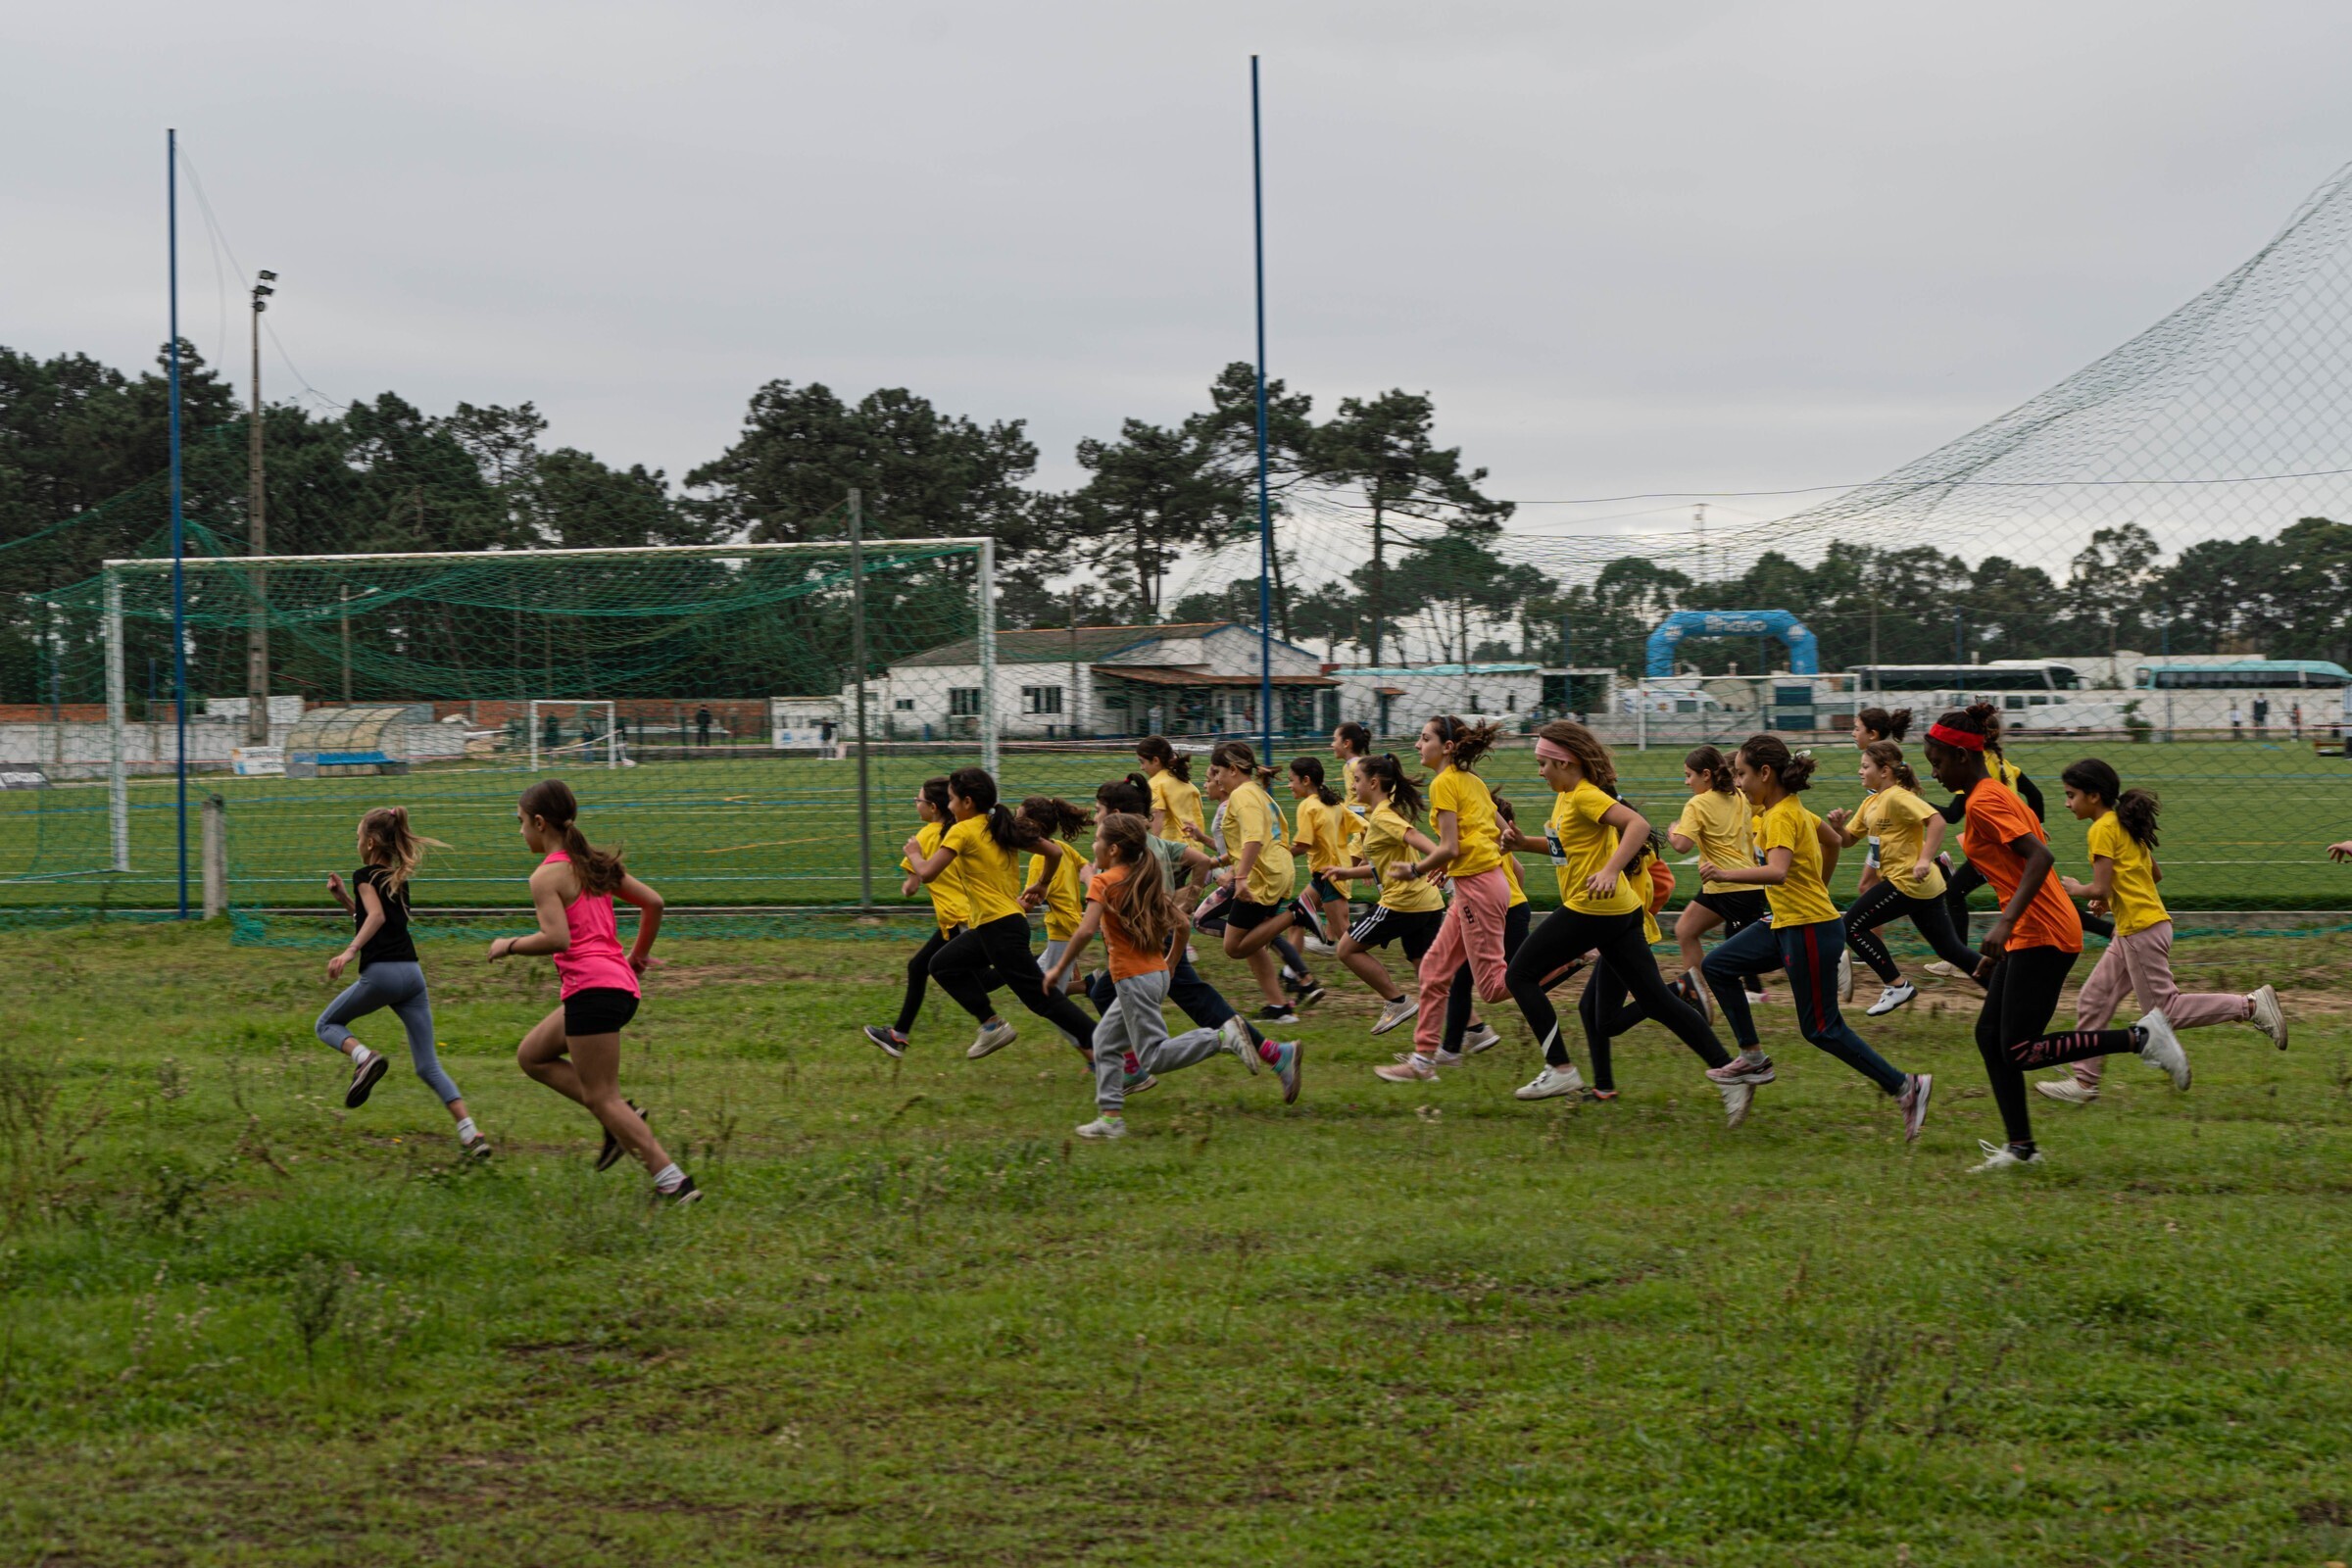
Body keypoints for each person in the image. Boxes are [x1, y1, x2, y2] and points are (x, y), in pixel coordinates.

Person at [1920, 706, 2190, 1173]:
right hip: (2030, 929)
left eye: (1938, 761)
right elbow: (2014, 869)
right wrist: (2005, 938)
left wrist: (2005, 925)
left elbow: (2040, 857)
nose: (1934, 771)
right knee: (1989, 1036)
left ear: (1962, 757)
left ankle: (2142, 1037)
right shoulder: (1989, 795)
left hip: (2043, 931)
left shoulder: (1987, 800)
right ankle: (2021, 1149)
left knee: (2020, 1049)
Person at [1696, 735, 1936, 1141]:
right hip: (1787, 923)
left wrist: (1723, 875)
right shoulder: (1785, 811)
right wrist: (1818, 885)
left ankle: (1905, 1086)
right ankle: (1752, 1058)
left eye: (1741, 773)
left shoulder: (1780, 818)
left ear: (1765, 774)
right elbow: (1833, 840)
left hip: (1807, 928)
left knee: (1822, 1028)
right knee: (1717, 965)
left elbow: (1777, 872)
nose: (1736, 782)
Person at [1491, 721, 1738, 1108]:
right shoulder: (1567, 797)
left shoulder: (1585, 795)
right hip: (1621, 910)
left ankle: (1559, 1067)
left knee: (1519, 975)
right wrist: (1523, 843)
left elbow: (1636, 825)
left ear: (1565, 761)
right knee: (1654, 1000)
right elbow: (1565, 851)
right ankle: (1729, 1071)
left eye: (1543, 763)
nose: (1539, 771)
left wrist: (1609, 871)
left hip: (1594, 907)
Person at [490, 780, 697, 1202]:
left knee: (604, 1096)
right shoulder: (594, 864)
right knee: (532, 1055)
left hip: (592, 992)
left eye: (521, 822)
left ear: (540, 822)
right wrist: (637, 958)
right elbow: (654, 903)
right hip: (617, 987)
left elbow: (557, 939)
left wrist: (507, 945)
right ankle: (620, 1120)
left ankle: (673, 1181)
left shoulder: (546, 877)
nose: (520, 831)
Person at [2035, 759, 2287, 1102]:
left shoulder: (2101, 829)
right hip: (2138, 928)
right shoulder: (2123, 824)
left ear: (2094, 796)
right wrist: (2110, 901)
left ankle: (2250, 1006)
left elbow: (2098, 887)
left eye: (2071, 795)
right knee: (2093, 998)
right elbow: (2151, 875)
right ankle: (2084, 1083)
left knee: (2165, 1011)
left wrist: (2077, 889)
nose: (2067, 803)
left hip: (2140, 931)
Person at [1046, 813, 1295, 1140]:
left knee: (1153, 1056)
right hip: (1155, 974)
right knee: (1105, 1042)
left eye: (1097, 839)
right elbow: (1182, 924)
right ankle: (1110, 1121)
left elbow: (1085, 931)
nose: (1093, 844)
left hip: (1135, 980)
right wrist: (1172, 962)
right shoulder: (1143, 877)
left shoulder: (1104, 883)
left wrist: (1059, 968)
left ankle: (1222, 1038)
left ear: (1114, 849)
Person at [1079, 775, 1298, 1082]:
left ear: (1115, 815)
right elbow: (1200, 860)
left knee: (1199, 1001)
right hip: (1153, 939)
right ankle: (1131, 1066)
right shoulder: (1151, 843)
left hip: (1153, 942)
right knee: (1104, 993)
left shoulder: (1126, 852)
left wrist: (1088, 876)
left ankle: (1274, 1052)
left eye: (1098, 809)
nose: (1095, 815)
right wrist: (1190, 899)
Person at [317, 807, 487, 1157]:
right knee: (427, 1065)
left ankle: (365, 1058)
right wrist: (344, 901)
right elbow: (371, 916)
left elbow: (375, 917)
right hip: (412, 975)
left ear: (371, 841)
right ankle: (471, 1133)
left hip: (382, 974)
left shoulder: (363, 874)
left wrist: (349, 952)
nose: (357, 844)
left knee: (327, 1024)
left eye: (358, 837)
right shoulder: (397, 878)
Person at [906, 767, 1101, 1061]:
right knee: (942, 965)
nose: (949, 806)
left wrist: (915, 854)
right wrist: (1043, 884)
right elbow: (1055, 852)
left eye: (951, 800)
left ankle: (1115, 1054)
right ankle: (991, 1025)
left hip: (999, 929)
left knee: (1043, 1001)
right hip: (998, 925)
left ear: (967, 802)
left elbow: (929, 874)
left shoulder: (963, 830)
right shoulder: (999, 825)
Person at [1375, 716, 1515, 1083]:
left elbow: (1450, 845)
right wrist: (1455, 865)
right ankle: (1423, 1062)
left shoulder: (1444, 784)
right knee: (1434, 971)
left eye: (1424, 739)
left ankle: (1570, 955)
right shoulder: (1472, 781)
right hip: (1478, 884)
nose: (1418, 745)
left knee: (1494, 987)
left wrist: (1418, 869)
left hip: (1480, 890)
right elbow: (1507, 832)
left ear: (1447, 747)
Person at [1824, 742, 1984, 1015]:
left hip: (1907, 882)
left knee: (1850, 926)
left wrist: (1924, 859)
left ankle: (1896, 986)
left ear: (1884, 771)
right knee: (1950, 950)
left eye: (1865, 766)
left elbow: (1937, 821)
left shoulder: (1898, 796)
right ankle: (2003, 983)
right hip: (1923, 887)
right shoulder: (1871, 802)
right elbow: (1848, 840)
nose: (1859, 771)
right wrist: (1838, 828)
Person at [1325, 753, 1445, 1036]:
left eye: (1357, 780)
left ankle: (1396, 1001)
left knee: (1346, 948)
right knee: (1429, 977)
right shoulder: (1383, 814)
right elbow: (1384, 867)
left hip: (1404, 903)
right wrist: (1346, 873)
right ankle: (1473, 1028)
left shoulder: (1383, 817)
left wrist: (1437, 859)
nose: (1353, 786)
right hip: (1428, 903)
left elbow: (1418, 840)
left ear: (1374, 782)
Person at [1201, 741, 1329, 1007]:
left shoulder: (1242, 797)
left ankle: (1298, 913)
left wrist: (1240, 877)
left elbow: (1253, 838)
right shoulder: (1259, 793)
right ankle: (1280, 1004)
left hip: (1263, 876)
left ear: (1233, 770)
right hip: (1277, 869)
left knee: (1234, 947)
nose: (1217, 778)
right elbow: (1276, 834)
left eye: (1219, 772)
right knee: (1256, 939)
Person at [862, 778, 966, 1057]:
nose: (915, 805)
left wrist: (911, 870)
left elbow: (910, 888)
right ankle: (898, 1034)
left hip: (959, 918)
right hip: (963, 916)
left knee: (979, 978)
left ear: (932, 807)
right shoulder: (961, 831)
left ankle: (994, 1021)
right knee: (919, 967)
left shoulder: (921, 839)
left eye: (917, 801)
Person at [1664, 744, 1770, 1016]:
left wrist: (1673, 830)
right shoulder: (1738, 796)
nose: (1687, 782)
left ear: (1707, 775)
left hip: (1735, 889)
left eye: (1689, 775)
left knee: (1761, 954)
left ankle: (1825, 962)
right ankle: (1697, 997)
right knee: (1685, 930)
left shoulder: (1697, 803)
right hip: (1722, 886)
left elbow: (1683, 846)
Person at [1437, 792, 1537, 1062]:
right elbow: (1520, 872)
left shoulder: (1477, 838)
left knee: (1525, 979)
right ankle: (1456, 1045)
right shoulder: (1492, 839)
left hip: (1496, 914)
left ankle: (1569, 959)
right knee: (1464, 978)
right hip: (1513, 910)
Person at [1019, 796, 1093, 992]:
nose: (1014, 825)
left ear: (1032, 826)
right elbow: (1086, 866)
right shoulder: (1062, 848)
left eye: (1018, 819)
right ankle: (1089, 985)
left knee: (1049, 994)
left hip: (1062, 930)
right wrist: (1092, 885)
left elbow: (1027, 904)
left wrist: (995, 906)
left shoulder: (1039, 859)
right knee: (1033, 987)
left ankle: (1092, 987)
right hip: (1072, 925)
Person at [1288, 757, 1355, 955]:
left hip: (1330, 877)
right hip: (1328, 875)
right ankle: (1296, 974)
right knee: (1296, 919)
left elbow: (1302, 845)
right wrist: (1366, 858)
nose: (1289, 785)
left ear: (1306, 780)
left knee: (1348, 940)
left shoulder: (1309, 806)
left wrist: (1276, 857)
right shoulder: (1334, 803)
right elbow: (1364, 826)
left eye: (1292, 780)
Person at [1848, 707, 1914, 897]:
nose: (1853, 733)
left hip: (1891, 836)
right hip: (1882, 835)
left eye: (1857, 728)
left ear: (1872, 734)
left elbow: (1903, 795)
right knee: (1873, 888)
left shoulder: (1885, 761)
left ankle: (1934, 867)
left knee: (1868, 887)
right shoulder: (1879, 757)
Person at [1136, 735, 1206, 845]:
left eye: (1142, 762)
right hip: (1195, 846)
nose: (1141, 767)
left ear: (1155, 760)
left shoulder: (1156, 783)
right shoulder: (1183, 780)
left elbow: (1158, 815)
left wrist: (1154, 847)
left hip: (1173, 848)